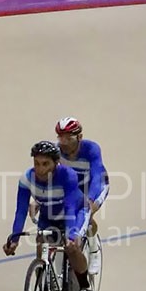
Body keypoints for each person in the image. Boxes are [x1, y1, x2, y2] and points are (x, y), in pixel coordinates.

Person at [3, 141, 94, 291]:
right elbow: (21, 210)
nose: (40, 169)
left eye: (45, 164)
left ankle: (85, 288)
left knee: (72, 248)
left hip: (75, 212)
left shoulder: (68, 176)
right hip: (49, 216)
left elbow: (69, 207)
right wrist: (15, 237)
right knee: (41, 247)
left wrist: (71, 235)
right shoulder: (26, 179)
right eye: (36, 163)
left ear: (56, 163)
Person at [55, 116, 109, 275]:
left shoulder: (91, 149)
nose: (63, 142)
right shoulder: (57, 151)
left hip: (95, 184)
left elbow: (96, 176)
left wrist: (91, 199)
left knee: (86, 213)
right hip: (73, 186)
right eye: (60, 137)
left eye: (68, 138)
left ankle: (94, 250)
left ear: (79, 137)